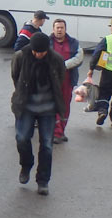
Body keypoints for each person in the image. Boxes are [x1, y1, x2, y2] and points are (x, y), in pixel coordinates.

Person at [10, 32, 65, 195]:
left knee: (47, 145)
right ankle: (26, 165)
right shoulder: (21, 57)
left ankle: (43, 181)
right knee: (21, 138)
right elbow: (16, 77)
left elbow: (59, 80)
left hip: (47, 109)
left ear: (47, 50)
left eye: (41, 52)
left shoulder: (56, 60)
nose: (37, 54)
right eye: (35, 51)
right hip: (26, 107)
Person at [49, 19, 83, 144]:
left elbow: (79, 58)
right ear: (53, 29)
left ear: (65, 29)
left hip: (68, 80)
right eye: (57, 27)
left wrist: (63, 65)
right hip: (51, 80)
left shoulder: (73, 43)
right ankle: (56, 132)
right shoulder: (47, 42)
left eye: (61, 27)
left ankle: (61, 131)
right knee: (54, 105)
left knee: (65, 106)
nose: (59, 30)